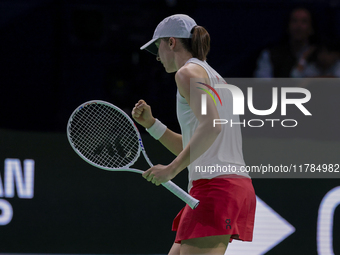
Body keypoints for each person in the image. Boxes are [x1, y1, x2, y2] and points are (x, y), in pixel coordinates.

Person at [132, 14, 256, 255]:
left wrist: (171, 170)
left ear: (171, 42)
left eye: (158, 48)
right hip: (224, 185)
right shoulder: (214, 76)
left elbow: (212, 126)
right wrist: (152, 125)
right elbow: (198, 144)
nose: (157, 57)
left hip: (216, 187)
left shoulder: (187, 74)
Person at [254, 7, 316, 77]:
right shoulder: (271, 55)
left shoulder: (320, 55)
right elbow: (262, 84)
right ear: (288, 26)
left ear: (312, 28)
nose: (299, 26)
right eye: (294, 21)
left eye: (304, 21)